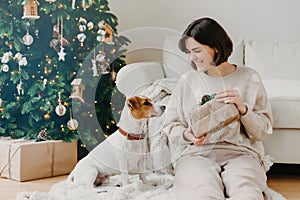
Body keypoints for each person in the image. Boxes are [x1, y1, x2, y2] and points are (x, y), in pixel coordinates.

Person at [162, 17, 273, 200]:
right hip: (196, 154)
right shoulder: (187, 81)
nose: (192, 58)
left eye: (197, 51)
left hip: (241, 154)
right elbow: (169, 126)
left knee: (246, 192)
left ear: (216, 47)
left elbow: (263, 131)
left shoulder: (249, 77)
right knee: (203, 192)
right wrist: (188, 135)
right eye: (189, 52)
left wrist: (243, 109)